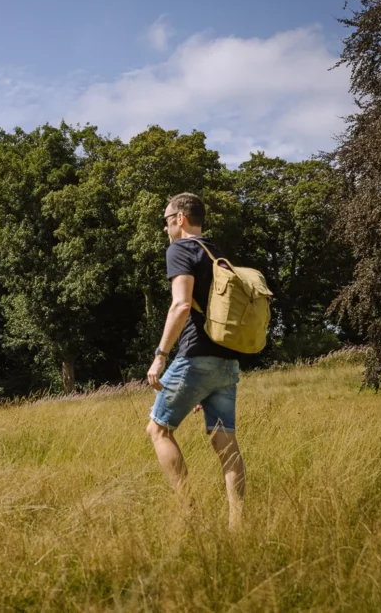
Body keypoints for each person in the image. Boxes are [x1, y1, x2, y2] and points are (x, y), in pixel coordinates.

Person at [146, 192, 246, 529]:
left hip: (196, 356)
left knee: (158, 430)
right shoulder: (217, 253)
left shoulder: (180, 250)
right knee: (226, 443)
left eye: (166, 220)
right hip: (227, 360)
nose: (165, 228)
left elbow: (181, 305)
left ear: (181, 218)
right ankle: (237, 525)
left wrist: (160, 356)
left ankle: (190, 515)